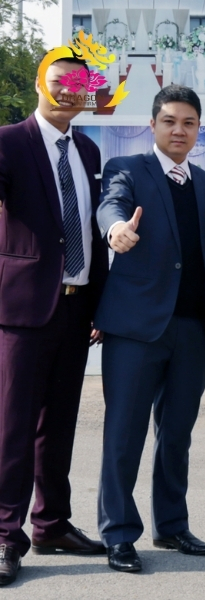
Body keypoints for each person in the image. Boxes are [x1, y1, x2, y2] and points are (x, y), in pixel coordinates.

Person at [95, 85, 205, 572]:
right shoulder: (127, 169)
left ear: (198, 129)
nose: (179, 130)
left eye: (189, 123)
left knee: (177, 434)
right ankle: (118, 533)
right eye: (170, 121)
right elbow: (111, 205)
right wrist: (116, 229)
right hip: (136, 329)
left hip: (193, 328)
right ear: (152, 125)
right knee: (124, 434)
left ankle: (171, 525)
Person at [0, 54, 107, 586]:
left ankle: (51, 523)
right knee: (13, 427)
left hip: (76, 306)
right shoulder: (8, 142)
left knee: (58, 425)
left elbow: (89, 227)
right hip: (22, 310)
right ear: (40, 83)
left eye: (80, 84)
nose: (69, 90)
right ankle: (5, 534)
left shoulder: (88, 150)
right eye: (60, 81)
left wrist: (99, 304)